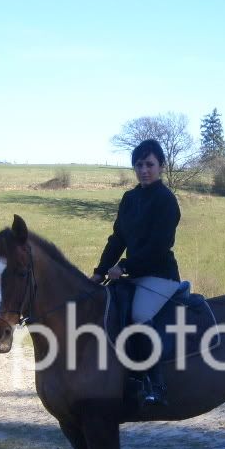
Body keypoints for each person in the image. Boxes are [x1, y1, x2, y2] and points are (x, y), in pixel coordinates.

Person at [90, 139, 182, 405]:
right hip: (134, 275)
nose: (144, 170)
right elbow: (118, 238)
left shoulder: (166, 201)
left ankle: (156, 383)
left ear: (161, 166)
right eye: (139, 165)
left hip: (160, 276)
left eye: (150, 164)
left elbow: (159, 246)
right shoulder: (130, 199)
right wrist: (99, 272)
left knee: (140, 314)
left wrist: (126, 266)